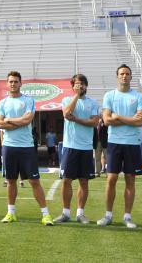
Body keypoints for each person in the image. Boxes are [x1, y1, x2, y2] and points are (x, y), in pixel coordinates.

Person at [0, 71, 54, 226]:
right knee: (11, 181)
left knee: (35, 181)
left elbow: (27, 120)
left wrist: (9, 120)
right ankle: (11, 213)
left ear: (21, 83)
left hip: (26, 147)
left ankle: (45, 215)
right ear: (7, 84)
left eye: (16, 81)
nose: (13, 84)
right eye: (11, 81)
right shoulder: (2, 103)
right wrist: (16, 121)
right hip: (9, 147)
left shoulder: (28, 100)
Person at [98, 64, 142, 228]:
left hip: (132, 144)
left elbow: (140, 122)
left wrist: (118, 116)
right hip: (114, 143)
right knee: (111, 179)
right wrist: (129, 119)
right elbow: (106, 120)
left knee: (130, 179)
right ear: (117, 76)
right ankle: (108, 215)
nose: (124, 76)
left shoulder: (139, 97)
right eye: (121, 74)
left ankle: (127, 217)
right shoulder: (109, 95)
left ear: (131, 76)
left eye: (127, 73)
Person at [54, 74, 100, 224]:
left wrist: (78, 119)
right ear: (73, 86)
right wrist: (76, 96)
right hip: (70, 146)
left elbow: (94, 122)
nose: (80, 86)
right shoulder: (67, 100)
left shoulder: (93, 103)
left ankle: (80, 213)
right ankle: (65, 213)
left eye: (82, 84)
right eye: (77, 84)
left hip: (86, 148)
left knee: (84, 181)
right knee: (66, 180)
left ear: (86, 86)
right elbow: (67, 114)